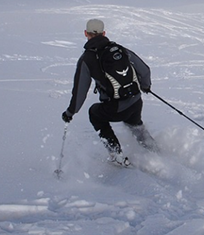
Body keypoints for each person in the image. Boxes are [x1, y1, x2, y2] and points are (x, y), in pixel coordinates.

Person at [62, 19, 156, 166]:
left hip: (115, 107)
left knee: (95, 114)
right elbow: (144, 70)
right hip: (136, 101)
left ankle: (116, 154)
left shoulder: (86, 59)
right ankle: (154, 149)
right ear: (104, 33)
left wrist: (70, 112)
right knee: (134, 122)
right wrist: (145, 86)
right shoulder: (119, 49)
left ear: (86, 33)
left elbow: (80, 91)